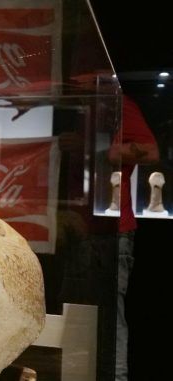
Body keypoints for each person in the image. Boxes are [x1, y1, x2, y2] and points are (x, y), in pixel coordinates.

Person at [107, 94, 159, 381]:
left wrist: (114, 152)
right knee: (78, 317)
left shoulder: (119, 102)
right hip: (76, 227)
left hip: (114, 230)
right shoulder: (85, 101)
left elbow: (151, 151)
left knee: (112, 320)